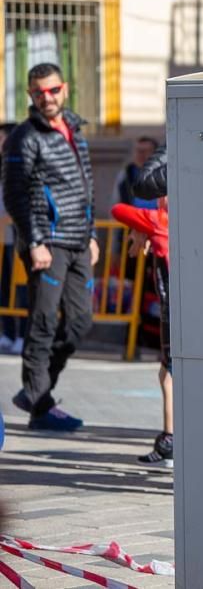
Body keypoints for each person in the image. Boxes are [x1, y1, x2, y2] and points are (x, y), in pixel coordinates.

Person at [3, 63, 99, 432]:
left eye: (53, 90)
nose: (47, 97)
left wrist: (91, 234)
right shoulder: (24, 137)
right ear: (30, 94)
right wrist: (36, 242)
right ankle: (39, 405)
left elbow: (85, 186)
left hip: (77, 240)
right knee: (43, 321)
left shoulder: (75, 129)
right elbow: (14, 195)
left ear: (65, 89)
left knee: (79, 322)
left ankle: (35, 394)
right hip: (47, 242)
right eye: (39, 92)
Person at [114, 140, 173, 468]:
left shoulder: (159, 223)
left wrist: (142, 228)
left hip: (173, 303)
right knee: (172, 372)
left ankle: (170, 439)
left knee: (169, 374)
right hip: (184, 299)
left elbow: (119, 210)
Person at [0, 122, 26, 355]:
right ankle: (7, 332)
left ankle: (22, 334)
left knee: (22, 288)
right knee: (4, 287)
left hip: (20, 237)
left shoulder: (23, 165)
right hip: (3, 239)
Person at [110, 136, 159, 209]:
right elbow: (115, 203)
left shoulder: (163, 175)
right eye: (138, 151)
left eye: (145, 151)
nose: (141, 155)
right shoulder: (125, 174)